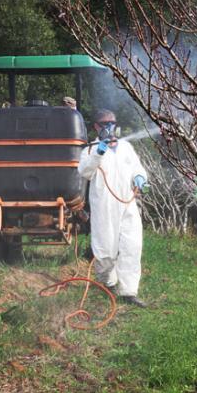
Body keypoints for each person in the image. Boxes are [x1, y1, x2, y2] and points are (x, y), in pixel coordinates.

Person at [78, 109, 149, 307]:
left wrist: (140, 177)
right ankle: (107, 283)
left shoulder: (126, 147)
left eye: (112, 122)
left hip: (127, 204)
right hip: (104, 206)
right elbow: (84, 171)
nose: (109, 126)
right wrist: (99, 152)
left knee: (132, 246)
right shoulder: (90, 150)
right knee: (105, 249)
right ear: (96, 127)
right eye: (104, 123)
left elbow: (138, 167)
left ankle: (128, 291)